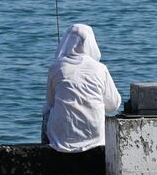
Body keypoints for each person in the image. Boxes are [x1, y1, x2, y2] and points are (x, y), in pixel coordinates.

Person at [42, 24, 121, 153]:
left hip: (61, 139)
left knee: (46, 111)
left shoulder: (56, 68)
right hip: (95, 137)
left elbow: (50, 102)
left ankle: (46, 154)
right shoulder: (100, 68)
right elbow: (113, 104)